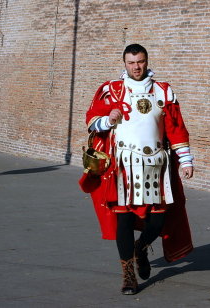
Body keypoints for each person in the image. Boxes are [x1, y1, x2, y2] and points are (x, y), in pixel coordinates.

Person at [79, 44, 194, 295]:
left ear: (146, 61)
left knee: (159, 219)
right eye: (131, 63)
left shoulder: (163, 91)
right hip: (123, 165)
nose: (136, 67)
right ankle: (128, 274)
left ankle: (141, 247)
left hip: (156, 163)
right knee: (124, 219)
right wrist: (108, 119)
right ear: (125, 63)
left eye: (140, 62)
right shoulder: (111, 90)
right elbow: (91, 120)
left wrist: (186, 161)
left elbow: (176, 128)